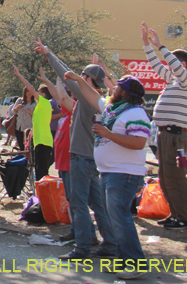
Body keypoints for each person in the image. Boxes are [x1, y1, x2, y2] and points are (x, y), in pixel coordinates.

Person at [36, 40, 118, 261]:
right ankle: (110, 243)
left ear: (88, 80)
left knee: (79, 204)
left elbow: (67, 77)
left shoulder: (86, 97)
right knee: (98, 205)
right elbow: (67, 82)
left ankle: (82, 248)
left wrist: (49, 54)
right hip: (92, 158)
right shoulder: (101, 100)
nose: (78, 77)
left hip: (82, 158)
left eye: (82, 75)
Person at [75, 74, 151, 279]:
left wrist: (107, 134)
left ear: (124, 92)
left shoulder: (136, 113)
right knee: (116, 219)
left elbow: (138, 143)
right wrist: (77, 78)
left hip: (124, 173)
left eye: (117, 87)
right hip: (110, 172)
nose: (113, 89)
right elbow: (92, 96)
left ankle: (136, 263)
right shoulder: (113, 109)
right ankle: (124, 261)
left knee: (120, 218)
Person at [142, 22, 187, 229]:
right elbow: (157, 66)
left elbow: (171, 65)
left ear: (182, 65)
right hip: (165, 134)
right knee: (165, 178)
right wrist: (147, 46)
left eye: (174, 63)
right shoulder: (174, 81)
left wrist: (160, 46)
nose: (169, 67)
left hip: (176, 136)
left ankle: (185, 217)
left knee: (175, 177)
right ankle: (176, 214)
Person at [37, 68, 76, 242]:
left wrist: (60, 78)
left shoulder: (74, 111)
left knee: (76, 201)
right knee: (71, 199)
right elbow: (57, 95)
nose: (60, 101)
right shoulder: (65, 114)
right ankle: (77, 231)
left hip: (70, 163)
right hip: (62, 164)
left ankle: (80, 233)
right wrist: (47, 80)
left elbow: (61, 96)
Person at [13, 66, 58, 181]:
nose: (35, 93)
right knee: (39, 171)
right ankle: (40, 195)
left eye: (38, 92)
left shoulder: (44, 103)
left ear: (43, 95)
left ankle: (42, 196)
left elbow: (30, 88)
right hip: (39, 141)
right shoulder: (41, 106)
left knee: (42, 172)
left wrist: (19, 75)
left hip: (44, 141)